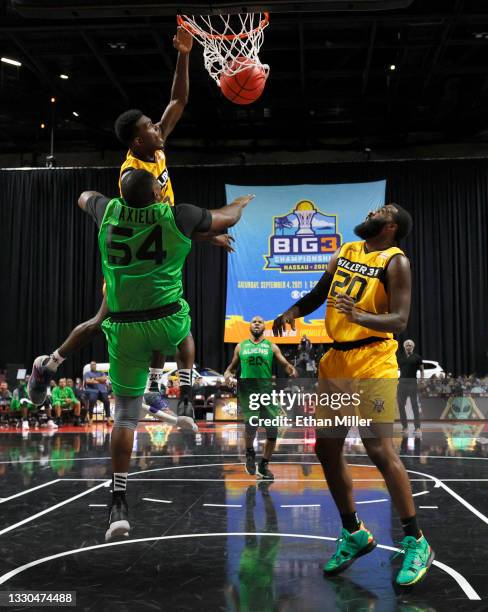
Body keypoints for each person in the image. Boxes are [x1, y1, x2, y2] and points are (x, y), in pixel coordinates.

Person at [28, 26, 232, 410]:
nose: (158, 128)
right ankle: (48, 364)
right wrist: (206, 236)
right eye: (150, 128)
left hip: (151, 254)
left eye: (155, 125)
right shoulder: (130, 177)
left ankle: (153, 389)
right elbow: (147, 225)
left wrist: (184, 54)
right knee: (102, 321)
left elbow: (179, 99)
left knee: (159, 323)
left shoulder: (155, 148)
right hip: (133, 262)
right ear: (138, 141)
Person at [78, 168, 253, 541]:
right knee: (185, 333)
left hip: (123, 325)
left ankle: (119, 501)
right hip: (164, 319)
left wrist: (115, 200)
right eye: (160, 187)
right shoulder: (177, 214)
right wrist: (239, 203)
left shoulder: (107, 210)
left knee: (125, 417)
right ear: (159, 195)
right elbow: (228, 216)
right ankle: (185, 399)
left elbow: (85, 196)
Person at [272, 204, 434, 588]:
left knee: (379, 449)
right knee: (326, 450)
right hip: (337, 362)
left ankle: (416, 540)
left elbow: (399, 320)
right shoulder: (346, 251)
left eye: (384, 211)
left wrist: (359, 316)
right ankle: (354, 532)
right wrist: (291, 311)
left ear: (391, 227)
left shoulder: (395, 262)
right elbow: (319, 294)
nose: (374, 212)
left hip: (374, 358)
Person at [224, 315, 297, 480]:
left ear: (264, 327)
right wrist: (227, 376)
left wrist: (291, 370)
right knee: (252, 425)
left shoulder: (271, 346)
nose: (257, 323)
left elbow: (285, 364)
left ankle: (263, 465)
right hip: (248, 391)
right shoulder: (240, 346)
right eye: (254, 322)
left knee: (273, 430)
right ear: (250, 326)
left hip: (266, 391)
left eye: (260, 322)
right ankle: (249, 451)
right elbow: (230, 369)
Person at [397, 339, 424, 436]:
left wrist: (422, 380)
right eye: (407, 345)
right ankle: (405, 427)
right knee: (400, 405)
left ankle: (417, 428)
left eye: (410, 345)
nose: (409, 347)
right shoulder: (400, 357)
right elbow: (396, 368)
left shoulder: (417, 357)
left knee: (414, 406)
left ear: (413, 347)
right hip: (402, 383)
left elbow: (421, 369)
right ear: (404, 347)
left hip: (412, 383)